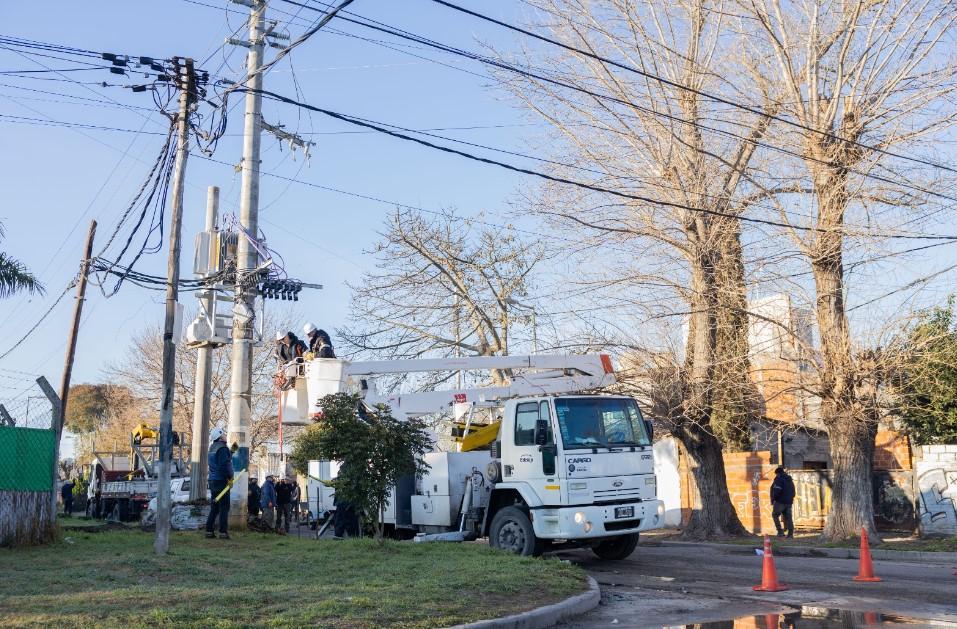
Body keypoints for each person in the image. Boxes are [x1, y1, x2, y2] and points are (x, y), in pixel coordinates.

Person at [205, 427, 234, 539]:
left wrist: (232, 451)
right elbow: (224, 465)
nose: (226, 435)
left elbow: (222, 460)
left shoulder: (212, 447)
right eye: (224, 434)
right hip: (222, 481)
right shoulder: (223, 448)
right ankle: (223, 532)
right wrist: (230, 478)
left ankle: (209, 530)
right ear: (220, 437)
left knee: (215, 507)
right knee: (224, 507)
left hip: (213, 481)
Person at [770, 466, 796, 538]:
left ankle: (780, 532)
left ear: (778, 473)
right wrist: (790, 498)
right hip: (789, 502)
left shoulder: (779, 480)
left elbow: (776, 491)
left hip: (780, 501)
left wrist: (774, 499)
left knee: (775, 515)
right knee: (788, 517)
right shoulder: (790, 480)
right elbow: (793, 492)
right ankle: (790, 534)